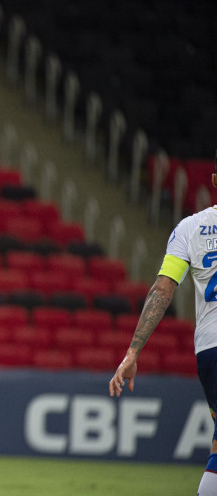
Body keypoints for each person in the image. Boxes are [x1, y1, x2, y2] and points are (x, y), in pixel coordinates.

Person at [109, 156, 217, 495]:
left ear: (214, 180)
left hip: (210, 352)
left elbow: (162, 290)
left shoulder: (190, 228)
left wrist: (132, 351)